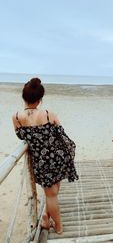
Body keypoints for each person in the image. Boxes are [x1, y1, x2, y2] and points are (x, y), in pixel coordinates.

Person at [12, 77, 79, 234]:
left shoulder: (16, 117)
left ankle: (55, 224)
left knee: (51, 194)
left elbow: (21, 137)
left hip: (42, 161)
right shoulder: (49, 114)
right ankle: (56, 225)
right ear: (41, 99)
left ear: (24, 96)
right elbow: (61, 134)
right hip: (58, 157)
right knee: (53, 193)